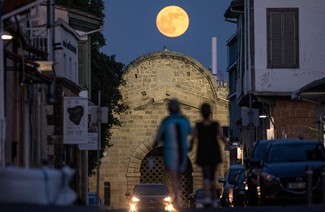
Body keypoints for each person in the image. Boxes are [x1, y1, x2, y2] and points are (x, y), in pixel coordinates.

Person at [189, 102, 230, 208]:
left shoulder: (198, 125)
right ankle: (212, 198)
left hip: (203, 152)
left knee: (206, 176)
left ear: (201, 113)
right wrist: (228, 144)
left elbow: (193, 137)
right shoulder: (215, 124)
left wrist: (190, 146)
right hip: (214, 152)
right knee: (212, 176)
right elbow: (221, 137)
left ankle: (208, 197)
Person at [153, 99, 191, 207]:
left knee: (174, 175)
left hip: (170, 151)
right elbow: (190, 132)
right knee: (178, 175)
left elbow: (159, 136)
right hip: (182, 150)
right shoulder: (184, 120)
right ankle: (177, 196)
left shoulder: (166, 121)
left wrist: (154, 146)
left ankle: (177, 197)